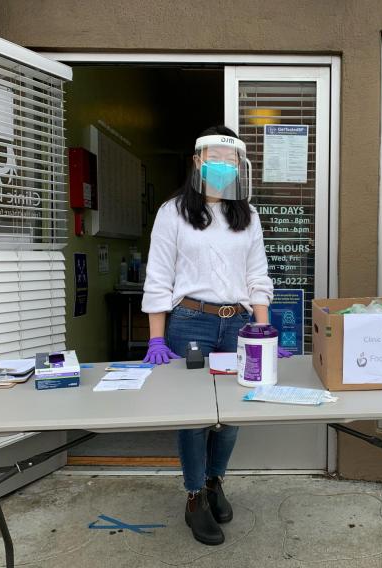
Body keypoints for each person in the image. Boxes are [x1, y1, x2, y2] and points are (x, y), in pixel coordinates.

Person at [141, 125, 292, 546]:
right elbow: (158, 276)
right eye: (215, 159)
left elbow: (257, 274)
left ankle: (214, 482)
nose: (223, 167)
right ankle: (193, 497)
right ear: (197, 162)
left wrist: (261, 325)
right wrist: (156, 338)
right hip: (190, 321)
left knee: (231, 411)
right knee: (193, 416)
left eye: (231, 161)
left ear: (240, 167)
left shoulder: (248, 214)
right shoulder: (172, 212)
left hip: (237, 324)